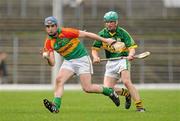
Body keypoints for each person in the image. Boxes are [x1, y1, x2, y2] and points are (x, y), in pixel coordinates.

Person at [42, 16, 120, 113]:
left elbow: (86, 34)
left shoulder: (66, 32)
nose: (50, 29)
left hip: (82, 59)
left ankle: (110, 92)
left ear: (56, 26)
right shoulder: (48, 42)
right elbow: (52, 63)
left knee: (87, 88)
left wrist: (105, 40)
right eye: (47, 26)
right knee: (59, 80)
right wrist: (48, 58)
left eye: (52, 26)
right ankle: (55, 106)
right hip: (69, 61)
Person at [91, 11, 145, 112]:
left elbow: (132, 48)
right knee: (107, 89)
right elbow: (95, 49)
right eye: (107, 22)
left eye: (111, 21)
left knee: (126, 81)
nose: (109, 24)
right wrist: (95, 57)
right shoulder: (102, 34)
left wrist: (130, 55)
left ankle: (140, 107)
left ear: (116, 22)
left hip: (123, 60)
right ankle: (126, 94)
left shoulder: (123, 33)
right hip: (111, 62)